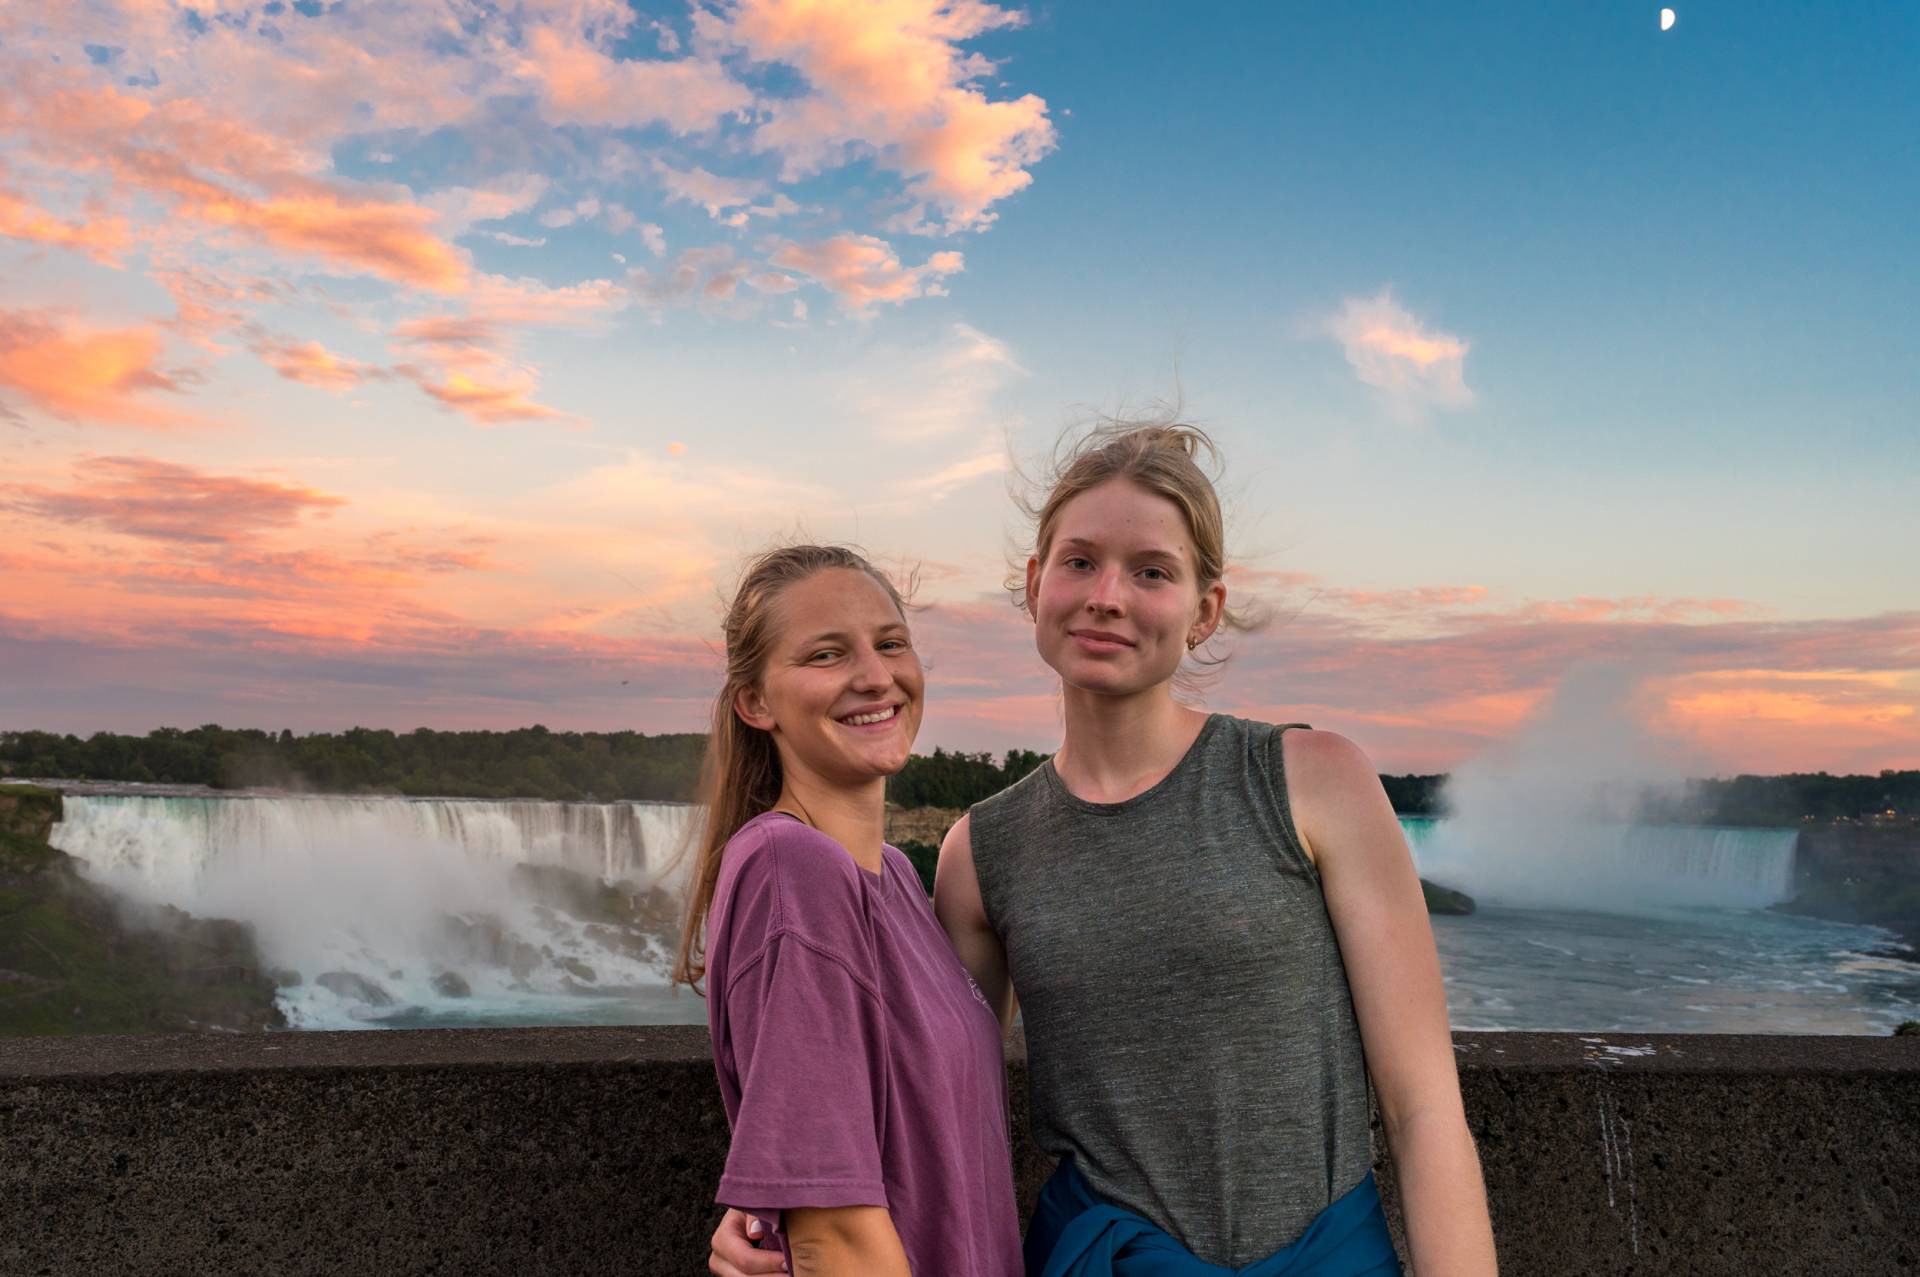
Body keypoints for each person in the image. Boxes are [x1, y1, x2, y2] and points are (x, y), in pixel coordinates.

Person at [709, 424, 1497, 1276]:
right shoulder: (981, 850)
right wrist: (781, 1210)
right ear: (1035, 584)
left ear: (1205, 610)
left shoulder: (1313, 780)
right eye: (1080, 561)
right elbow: (921, 1099)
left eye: (1151, 571)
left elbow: (1424, 1111)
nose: (1107, 596)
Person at [676, 544, 1024, 1277]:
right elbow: (833, 1231)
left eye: (891, 643)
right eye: (827, 654)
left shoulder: (894, 877)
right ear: (756, 702)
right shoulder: (792, 868)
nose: (874, 676)